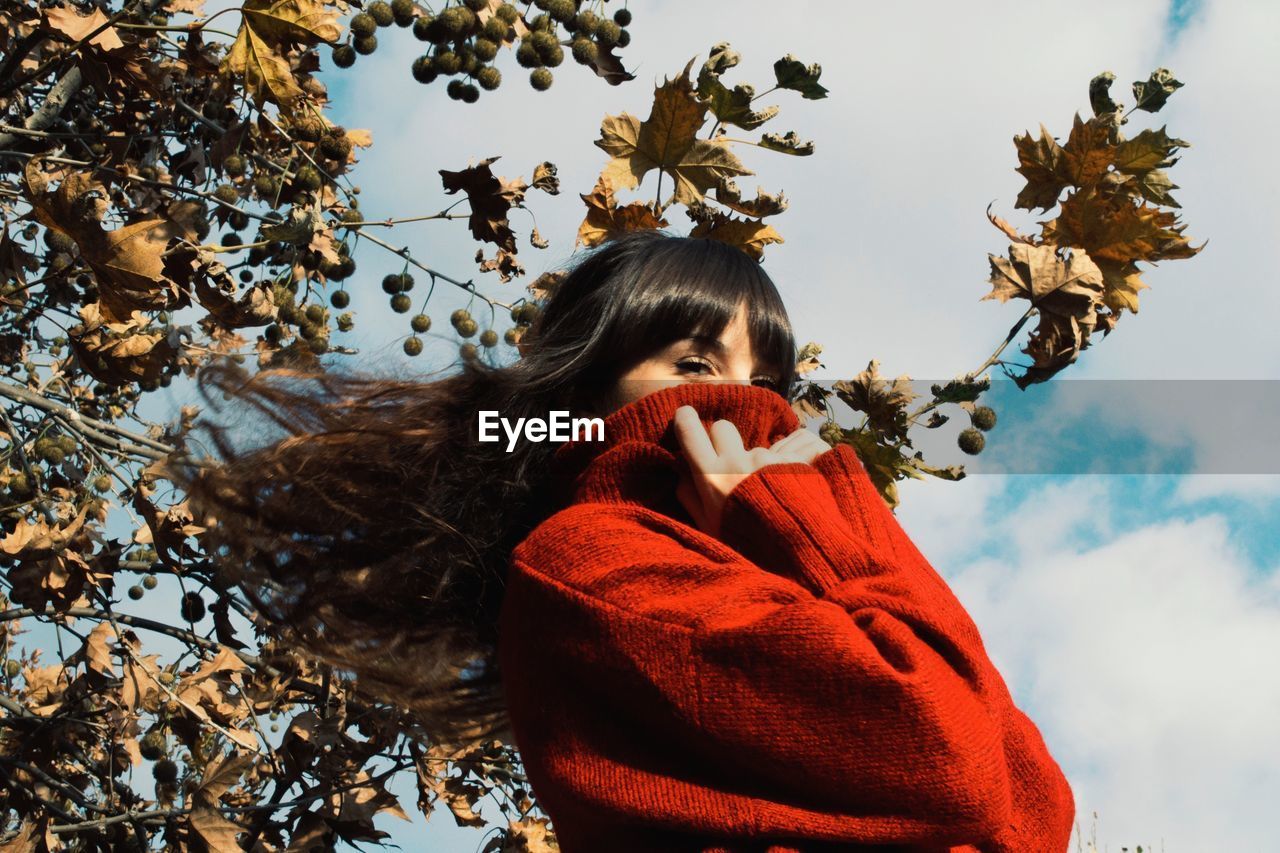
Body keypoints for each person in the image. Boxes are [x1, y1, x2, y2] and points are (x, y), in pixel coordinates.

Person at [173, 230, 1074, 851]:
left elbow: (1038, 809)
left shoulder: (764, 558)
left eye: (767, 378)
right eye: (693, 365)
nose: (748, 404)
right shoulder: (591, 559)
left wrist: (791, 531)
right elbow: (950, 762)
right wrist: (821, 519)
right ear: (590, 391)